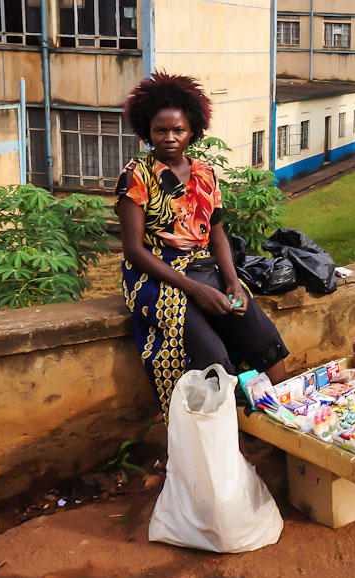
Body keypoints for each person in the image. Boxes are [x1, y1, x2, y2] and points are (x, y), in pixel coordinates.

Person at [116, 71, 289, 417]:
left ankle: (285, 419)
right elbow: (133, 250)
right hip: (155, 276)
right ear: (146, 132)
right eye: (159, 131)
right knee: (214, 359)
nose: (168, 138)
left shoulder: (205, 173)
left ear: (192, 130)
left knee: (260, 335)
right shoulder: (136, 175)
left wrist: (232, 282)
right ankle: (221, 441)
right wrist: (195, 290)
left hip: (203, 268)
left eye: (177, 130)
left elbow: (217, 234)